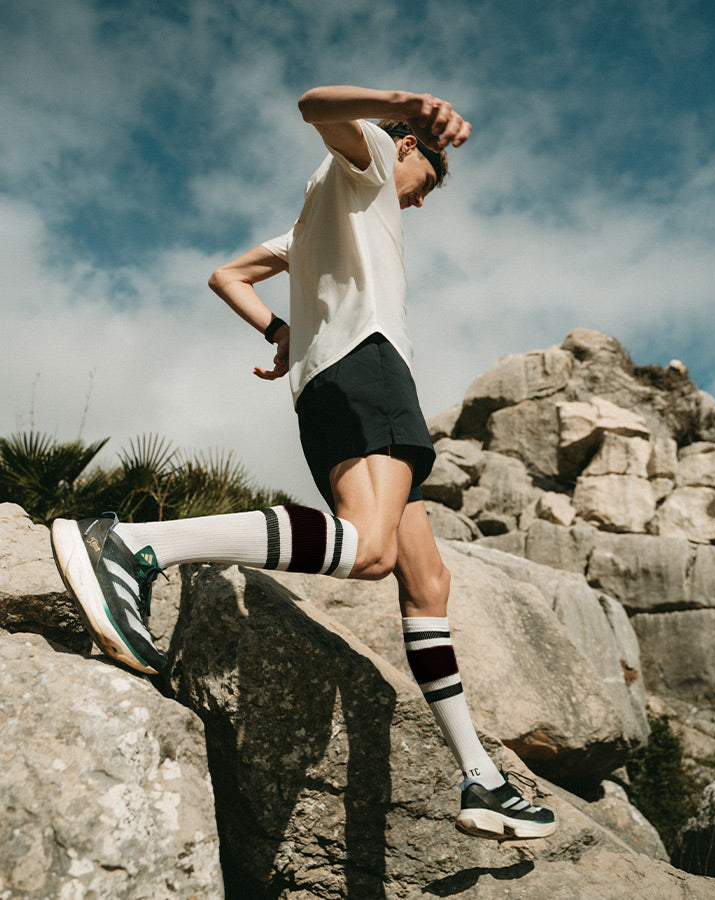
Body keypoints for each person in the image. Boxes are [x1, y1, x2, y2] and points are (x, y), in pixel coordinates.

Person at [51, 85, 556, 840]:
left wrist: (280, 332)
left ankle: (480, 777)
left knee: (428, 578)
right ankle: (130, 547)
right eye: (428, 188)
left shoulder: (308, 229)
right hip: (370, 373)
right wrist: (405, 104)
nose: (418, 205)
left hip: (332, 387)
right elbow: (315, 105)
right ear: (409, 150)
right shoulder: (376, 163)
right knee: (373, 550)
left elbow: (226, 274)